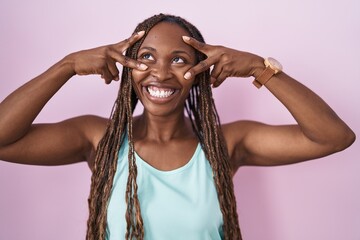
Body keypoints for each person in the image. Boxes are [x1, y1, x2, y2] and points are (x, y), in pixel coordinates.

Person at [0, 13, 355, 240]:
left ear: (200, 72)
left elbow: (334, 137)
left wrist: (261, 69)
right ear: (127, 67)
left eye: (180, 60)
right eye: (146, 57)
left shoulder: (226, 144)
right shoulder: (99, 139)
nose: (161, 72)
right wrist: (67, 65)